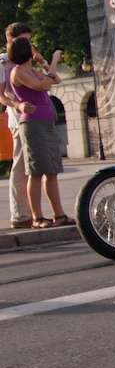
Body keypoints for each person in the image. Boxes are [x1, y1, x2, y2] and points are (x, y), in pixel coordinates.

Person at [7, 37, 75, 228]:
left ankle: (59, 214)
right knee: (36, 172)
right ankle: (37, 217)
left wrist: (44, 63)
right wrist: (53, 61)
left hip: (46, 122)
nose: (34, 48)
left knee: (51, 170)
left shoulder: (31, 70)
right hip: (33, 125)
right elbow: (44, 85)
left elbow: (56, 79)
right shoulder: (18, 72)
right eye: (31, 46)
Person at [1, 23, 38, 228]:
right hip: (18, 118)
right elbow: (2, 95)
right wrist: (16, 104)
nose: (28, 45)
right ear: (10, 40)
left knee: (32, 166)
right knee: (21, 166)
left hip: (32, 117)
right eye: (23, 40)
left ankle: (34, 213)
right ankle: (20, 215)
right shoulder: (4, 63)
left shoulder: (26, 61)